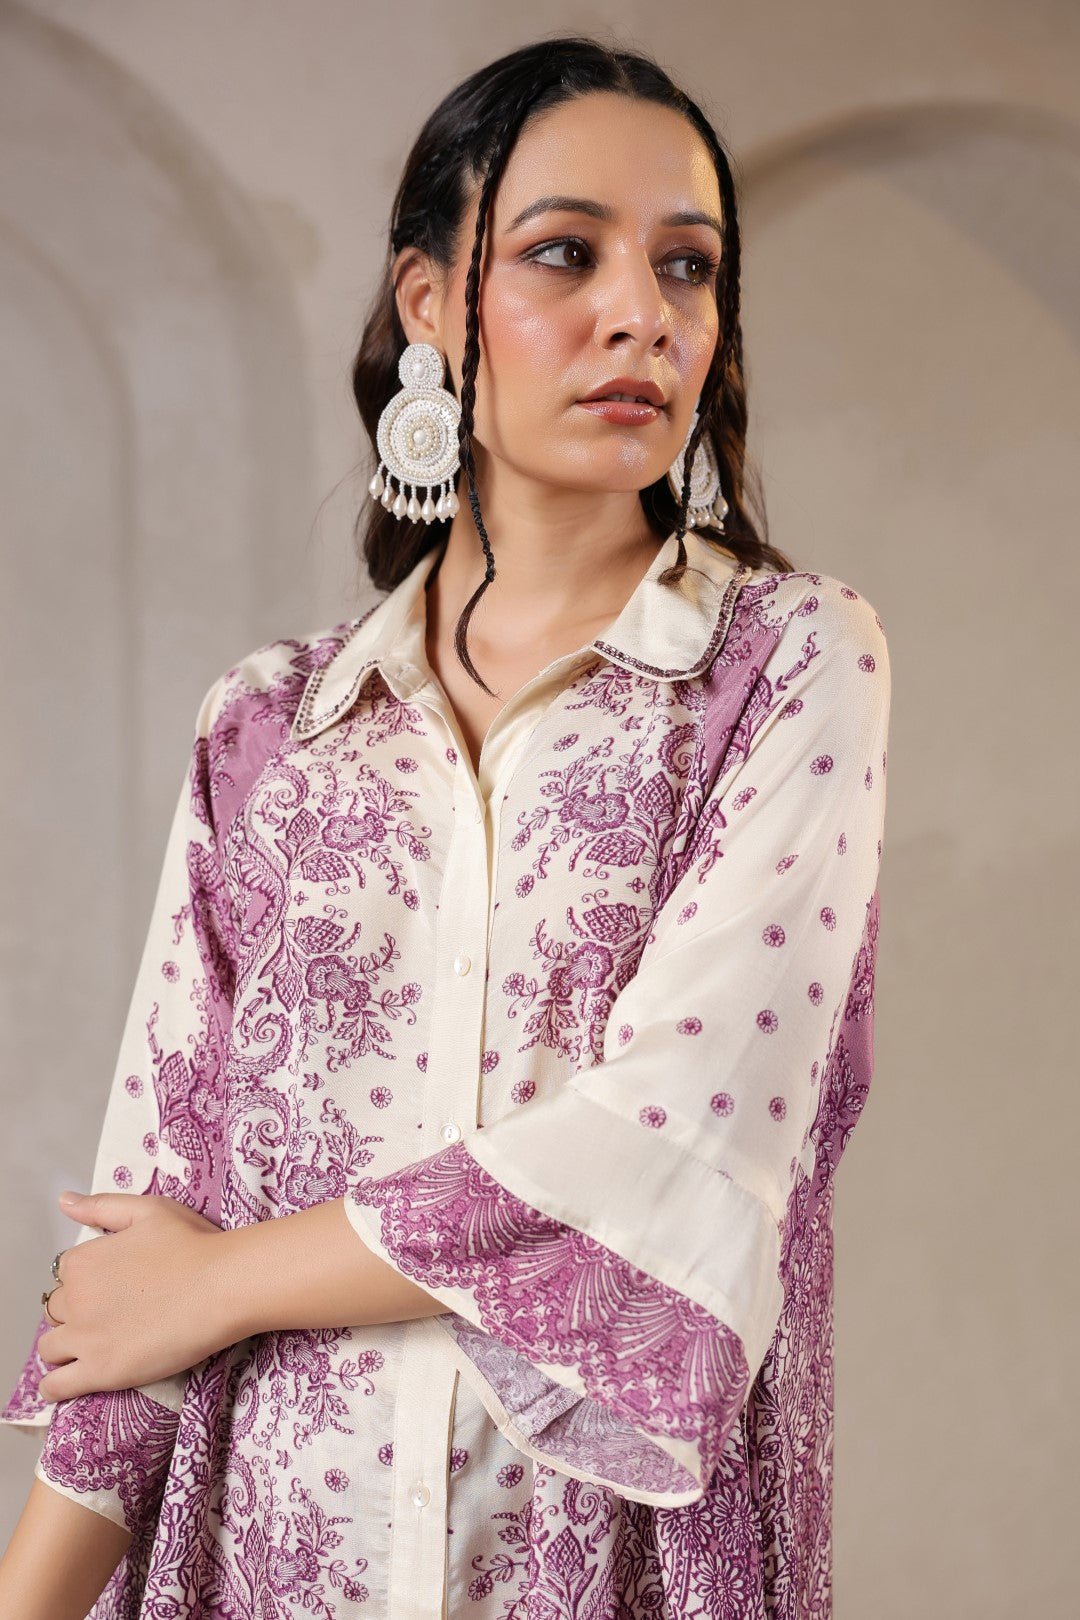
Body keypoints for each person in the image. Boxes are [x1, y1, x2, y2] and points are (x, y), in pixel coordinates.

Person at [0, 33, 891, 1620]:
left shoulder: (789, 665)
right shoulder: (268, 729)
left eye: (688, 268)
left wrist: (221, 1284)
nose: (642, 313)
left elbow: (671, 1146)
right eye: (566, 253)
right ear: (430, 304)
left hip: (607, 1572)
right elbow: (143, 1254)